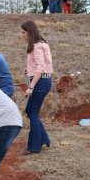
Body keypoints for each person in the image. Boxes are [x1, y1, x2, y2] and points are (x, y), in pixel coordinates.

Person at [20, 20, 53, 155]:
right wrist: (28, 69)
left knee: (32, 112)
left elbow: (41, 67)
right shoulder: (42, 44)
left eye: (23, 32)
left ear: (29, 32)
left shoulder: (36, 46)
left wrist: (31, 86)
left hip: (40, 83)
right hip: (44, 81)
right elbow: (41, 64)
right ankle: (43, 138)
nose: (21, 35)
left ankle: (34, 147)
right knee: (30, 111)